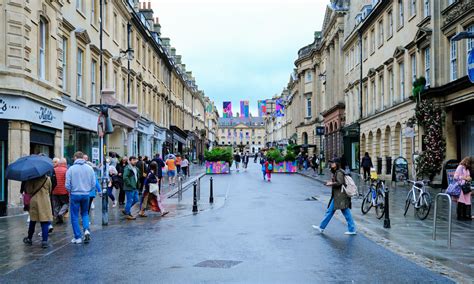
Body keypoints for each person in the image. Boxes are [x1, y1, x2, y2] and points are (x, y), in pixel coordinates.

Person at [312, 158, 356, 235]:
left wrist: (331, 184)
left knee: (333, 212)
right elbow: (338, 182)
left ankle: (322, 227)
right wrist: (331, 182)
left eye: (333, 163)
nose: (331, 164)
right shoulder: (337, 172)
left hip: (340, 196)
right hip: (339, 196)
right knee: (341, 212)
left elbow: (339, 182)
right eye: (331, 163)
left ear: (337, 163)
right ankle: (351, 229)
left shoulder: (339, 172)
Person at [66, 151, 96, 244]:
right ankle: (86, 230)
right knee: (85, 213)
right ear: (83, 158)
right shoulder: (89, 168)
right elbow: (93, 183)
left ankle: (77, 237)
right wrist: (87, 189)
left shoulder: (71, 169)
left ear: (75, 158)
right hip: (86, 194)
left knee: (74, 216)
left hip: (75, 194)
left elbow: (67, 185)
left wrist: (71, 190)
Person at [22, 175, 53, 248]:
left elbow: (28, 191)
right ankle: (44, 241)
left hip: (34, 201)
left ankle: (29, 238)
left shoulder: (31, 179)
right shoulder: (47, 179)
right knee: (44, 221)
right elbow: (50, 190)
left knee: (33, 220)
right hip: (45, 201)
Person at [52, 158, 68, 224]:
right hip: (63, 191)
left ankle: (57, 218)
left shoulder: (54, 170)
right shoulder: (66, 170)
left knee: (56, 205)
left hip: (54, 190)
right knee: (66, 203)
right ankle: (60, 214)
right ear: (64, 163)